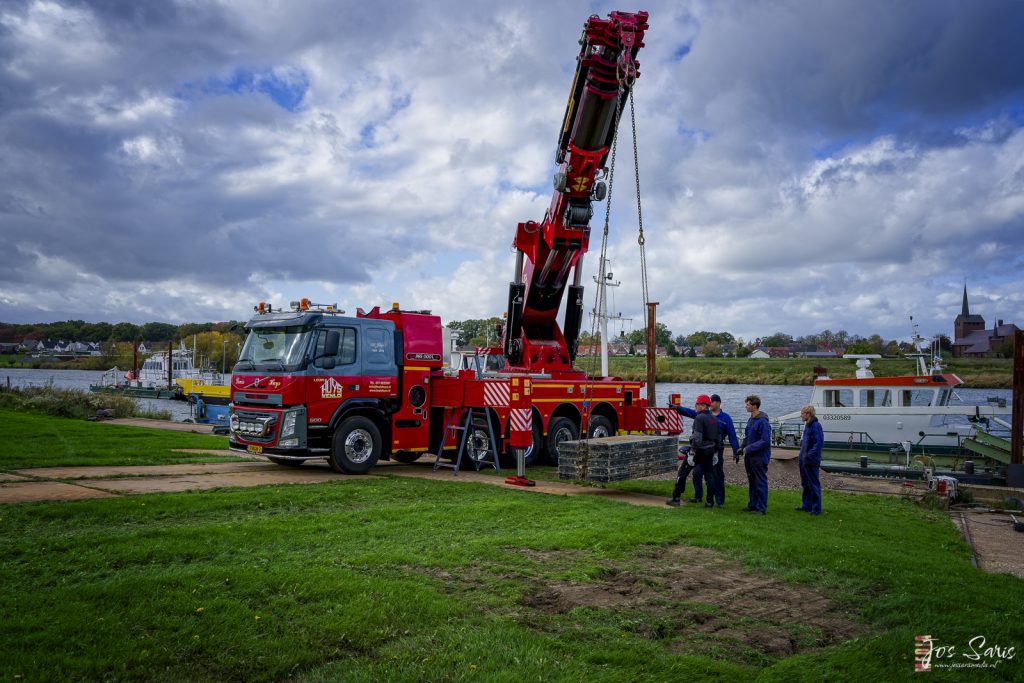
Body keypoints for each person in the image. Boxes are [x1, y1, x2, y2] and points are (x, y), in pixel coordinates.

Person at [666, 394, 721, 508]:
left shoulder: (699, 418)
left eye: (696, 404)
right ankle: (709, 502)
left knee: (682, 474)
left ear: (702, 405)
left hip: (698, 451)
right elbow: (718, 439)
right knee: (710, 477)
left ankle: (676, 498)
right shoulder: (714, 419)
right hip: (710, 451)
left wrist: (692, 453)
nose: (695, 406)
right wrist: (715, 453)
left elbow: (697, 438)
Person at [738, 394, 771, 514]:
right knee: (752, 480)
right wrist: (741, 448)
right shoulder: (751, 419)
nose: (746, 407)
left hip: (759, 457)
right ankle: (752, 504)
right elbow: (748, 436)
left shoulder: (763, 422)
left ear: (755, 406)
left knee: (760, 481)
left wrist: (749, 448)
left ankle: (761, 508)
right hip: (750, 456)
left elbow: (765, 441)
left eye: (748, 405)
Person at [709, 394, 739, 507]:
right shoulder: (706, 415)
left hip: (717, 450)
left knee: (718, 475)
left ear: (718, 403)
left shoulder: (726, 418)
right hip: (706, 449)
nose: (710, 404)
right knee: (704, 474)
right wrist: (678, 409)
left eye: (712, 402)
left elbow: (732, 436)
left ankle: (720, 500)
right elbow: (692, 413)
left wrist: (736, 451)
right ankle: (707, 499)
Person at [797, 405, 824, 515]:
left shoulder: (815, 426)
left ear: (808, 414)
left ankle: (816, 508)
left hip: (811, 460)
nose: (801, 415)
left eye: (802, 413)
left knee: (813, 483)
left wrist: (808, 455)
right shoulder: (807, 426)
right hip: (804, 459)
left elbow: (819, 443)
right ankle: (807, 505)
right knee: (805, 483)